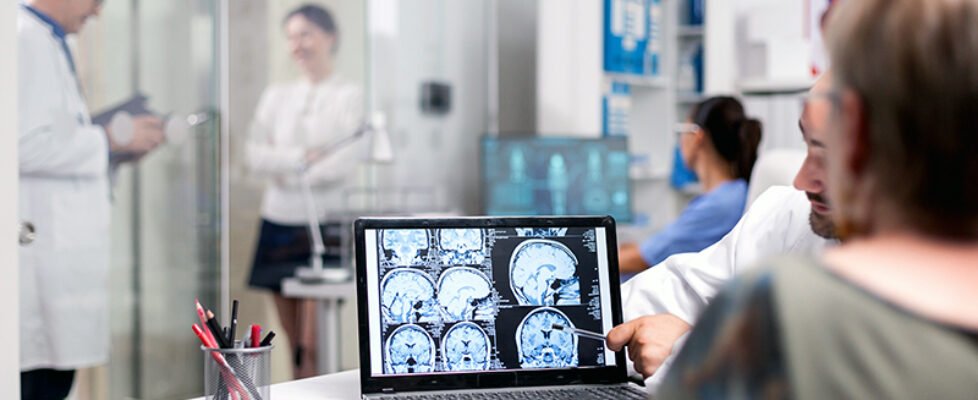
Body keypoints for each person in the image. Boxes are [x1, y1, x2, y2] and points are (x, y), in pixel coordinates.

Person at [658, 0, 978, 397]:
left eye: (826, 147)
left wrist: (683, 350)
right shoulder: (785, 221)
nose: (802, 179)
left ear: (857, 131)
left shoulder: (784, 314)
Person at [608, 75, 840, 387]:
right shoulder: (787, 214)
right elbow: (683, 290)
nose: (801, 180)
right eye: (808, 145)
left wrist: (687, 349)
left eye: (830, 155)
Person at [17, 0, 164, 398]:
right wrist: (110, 139)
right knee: (38, 382)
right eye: (96, 0)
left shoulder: (48, 41)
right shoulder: (21, 39)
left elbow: (55, 139)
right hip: (37, 251)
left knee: (54, 379)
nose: (98, 12)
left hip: (59, 252)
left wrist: (114, 150)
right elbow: (20, 146)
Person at [245, 4, 364, 378]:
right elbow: (253, 156)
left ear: (330, 37)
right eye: (291, 37)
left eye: (306, 34)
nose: (297, 44)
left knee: (313, 343)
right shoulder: (276, 96)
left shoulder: (349, 95)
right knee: (293, 342)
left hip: (324, 226)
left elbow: (343, 163)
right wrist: (302, 158)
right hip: (278, 222)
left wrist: (283, 166)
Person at [618, 97, 763, 273]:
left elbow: (642, 259)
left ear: (696, 137)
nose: (679, 141)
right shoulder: (733, 193)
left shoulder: (721, 204)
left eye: (682, 131)